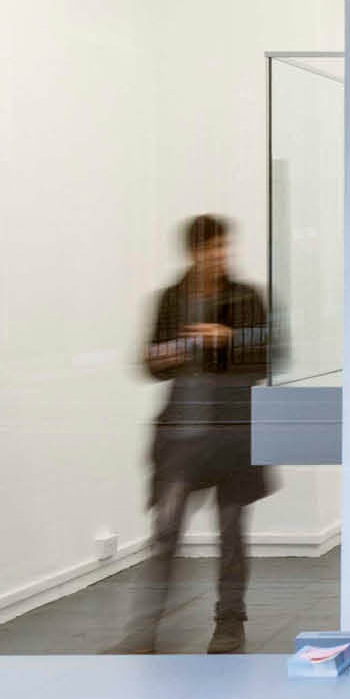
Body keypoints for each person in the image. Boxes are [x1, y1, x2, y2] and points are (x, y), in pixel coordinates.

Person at [129, 213, 277, 654]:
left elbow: (267, 356)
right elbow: (150, 362)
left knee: (231, 532)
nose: (221, 255)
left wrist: (226, 339)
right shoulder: (171, 300)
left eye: (224, 247)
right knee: (166, 533)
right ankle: (145, 630)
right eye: (212, 248)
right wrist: (183, 347)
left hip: (232, 434)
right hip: (181, 438)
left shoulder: (247, 297)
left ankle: (229, 622)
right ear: (194, 252)